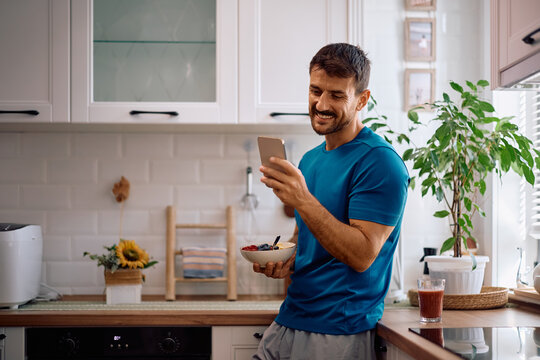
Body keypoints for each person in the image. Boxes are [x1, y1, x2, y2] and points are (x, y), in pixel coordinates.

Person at [252, 43, 410, 360]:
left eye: (336, 95)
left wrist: (303, 199)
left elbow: (363, 254)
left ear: (362, 99)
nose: (321, 104)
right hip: (288, 320)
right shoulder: (310, 160)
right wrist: (285, 260)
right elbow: (308, 238)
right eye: (315, 90)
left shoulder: (380, 163)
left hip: (337, 331)